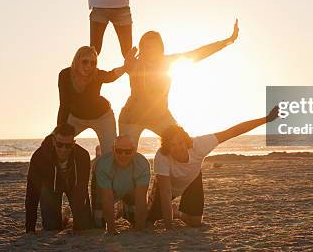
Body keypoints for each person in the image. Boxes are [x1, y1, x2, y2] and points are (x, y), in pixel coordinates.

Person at [147, 106, 279, 229]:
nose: (178, 148)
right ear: (167, 147)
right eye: (173, 145)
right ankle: (162, 211)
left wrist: (266, 119)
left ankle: (177, 213)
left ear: (185, 140)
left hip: (192, 180)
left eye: (180, 142)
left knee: (195, 222)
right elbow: (165, 192)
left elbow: (232, 132)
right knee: (149, 220)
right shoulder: (162, 155)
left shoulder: (199, 145)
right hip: (168, 186)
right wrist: (169, 227)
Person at [119, 20, 240, 149]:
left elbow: (198, 53)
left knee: (186, 144)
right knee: (125, 152)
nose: (151, 50)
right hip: (133, 117)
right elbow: (121, 71)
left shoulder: (167, 61)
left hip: (160, 116)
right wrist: (127, 64)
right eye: (147, 47)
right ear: (142, 48)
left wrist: (230, 40)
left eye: (154, 46)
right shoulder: (135, 64)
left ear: (160, 48)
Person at [57, 46, 133, 154]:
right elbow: (64, 105)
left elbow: (110, 75)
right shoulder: (65, 75)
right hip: (76, 118)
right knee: (54, 142)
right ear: (77, 60)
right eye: (85, 62)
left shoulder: (96, 74)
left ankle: (101, 152)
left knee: (111, 153)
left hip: (102, 117)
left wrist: (125, 67)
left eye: (93, 63)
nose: (89, 66)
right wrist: (60, 129)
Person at [25, 124, 93, 232]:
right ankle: (64, 216)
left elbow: (82, 188)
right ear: (53, 141)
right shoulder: (39, 156)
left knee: (84, 225)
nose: (63, 149)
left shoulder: (83, 155)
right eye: (59, 144)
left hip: (74, 187)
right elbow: (32, 191)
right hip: (51, 188)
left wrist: (79, 221)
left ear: (73, 143)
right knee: (51, 228)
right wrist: (30, 228)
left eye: (68, 145)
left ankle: (70, 216)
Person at [95, 136, 150, 234]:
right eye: (119, 151)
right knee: (99, 224)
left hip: (130, 193)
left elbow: (141, 199)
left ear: (134, 150)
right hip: (108, 191)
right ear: (113, 149)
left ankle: (122, 208)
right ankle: (118, 208)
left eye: (127, 151)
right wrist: (111, 230)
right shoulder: (103, 164)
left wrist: (139, 229)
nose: (123, 155)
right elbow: (107, 198)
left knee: (138, 221)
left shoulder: (142, 164)